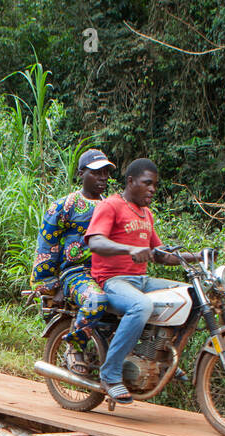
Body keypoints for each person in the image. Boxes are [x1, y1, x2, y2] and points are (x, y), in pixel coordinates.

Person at [85, 157, 197, 404]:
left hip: (141, 280)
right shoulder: (111, 206)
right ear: (131, 181)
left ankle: (164, 357)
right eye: (147, 183)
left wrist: (197, 256)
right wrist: (129, 250)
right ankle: (110, 373)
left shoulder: (146, 214)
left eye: (155, 185)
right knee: (141, 306)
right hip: (112, 281)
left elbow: (162, 256)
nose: (152, 189)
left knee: (190, 295)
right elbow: (95, 241)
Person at [30, 148, 114, 374]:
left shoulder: (113, 207)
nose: (103, 178)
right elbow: (46, 247)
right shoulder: (64, 206)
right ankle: (74, 347)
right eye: (96, 172)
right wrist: (50, 286)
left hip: (108, 273)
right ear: (81, 174)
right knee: (96, 300)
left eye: (106, 172)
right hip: (77, 273)